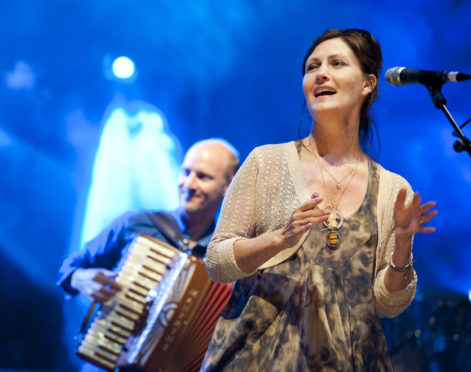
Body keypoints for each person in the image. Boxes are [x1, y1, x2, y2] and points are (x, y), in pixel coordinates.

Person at [200, 29, 438, 371]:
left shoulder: (391, 187)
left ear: (368, 84)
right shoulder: (266, 162)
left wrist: (402, 244)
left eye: (337, 63)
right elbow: (217, 261)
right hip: (256, 358)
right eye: (312, 67)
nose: (321, 73)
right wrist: (278, 239)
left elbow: (389, 304)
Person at [57, 137, 240, 309]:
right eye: (186, 172)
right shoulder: (135, 224)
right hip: (111, 342)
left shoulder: (224, 257)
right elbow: (70, 268)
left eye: (202, 177)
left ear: (227, 186)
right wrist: (79, 278)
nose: (188, 184)